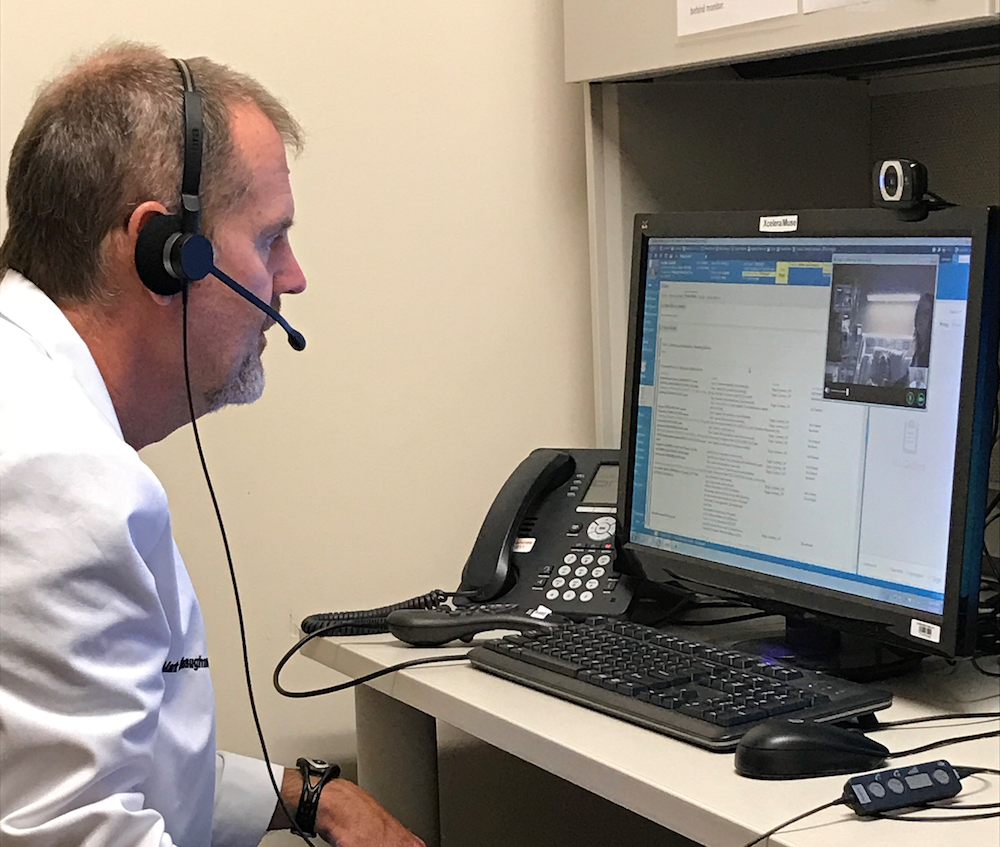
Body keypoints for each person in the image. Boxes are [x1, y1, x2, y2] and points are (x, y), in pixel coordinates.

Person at [0, 42, 424, 847]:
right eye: (270, 240)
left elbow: (113, 766)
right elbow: (77, 832)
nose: (291, 278)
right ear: (164, 254)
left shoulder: (30, 401)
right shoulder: (55, 476)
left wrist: (311, 796)